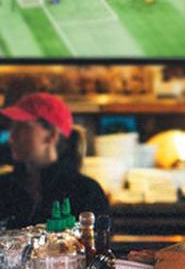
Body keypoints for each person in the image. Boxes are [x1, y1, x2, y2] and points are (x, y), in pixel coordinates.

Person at [0, 93, 109, 229]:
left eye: (21, 128)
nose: (11, 138)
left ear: (51, 135)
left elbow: (98, 247)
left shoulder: (85, 192)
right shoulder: (4, 188)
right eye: (12, 128)